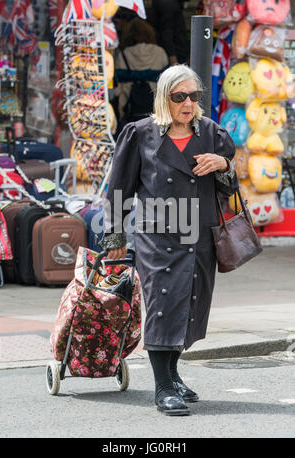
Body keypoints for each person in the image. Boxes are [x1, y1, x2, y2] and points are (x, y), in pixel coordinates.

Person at [100, 64, 238, 416]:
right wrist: (115, 234)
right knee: (163, 305)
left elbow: (231, 187)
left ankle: (173, 374)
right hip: (156, 234)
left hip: (198, 234)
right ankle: (162, 387)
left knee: (189, 304)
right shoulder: (141, 133)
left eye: (193, 96)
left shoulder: (211, 133)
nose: (188, 103)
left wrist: (222, 165)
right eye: (180, 97)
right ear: (165, 98)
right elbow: (119, 188)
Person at [114, 17, 168, 130]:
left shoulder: (123, 54)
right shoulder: (160, 52)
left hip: (130, 109)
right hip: (155, 107)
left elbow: (118, 85)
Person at [151, 0, 190, 66]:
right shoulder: (168, 4)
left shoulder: (169, 4)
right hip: (176, 53)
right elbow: (166, 32)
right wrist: (172, 56)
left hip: (176, 52)